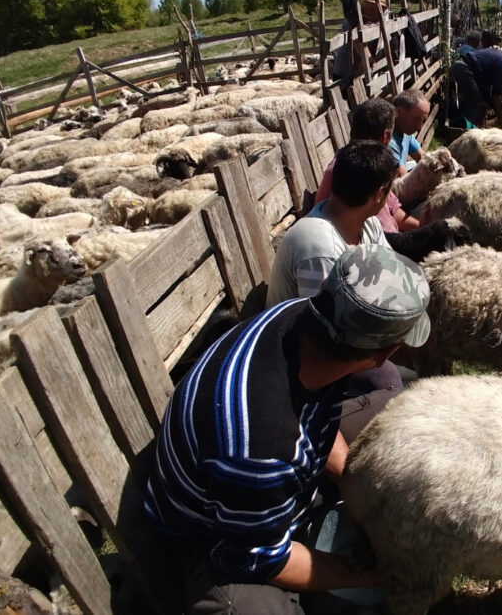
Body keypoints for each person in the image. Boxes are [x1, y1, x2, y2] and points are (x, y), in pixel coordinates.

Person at [145, 244, 431, 615]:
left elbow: (318, 417)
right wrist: (373, 574)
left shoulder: (306, 321)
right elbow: (262, 558)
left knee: (406, 416)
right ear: (383, 354)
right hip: (217, 537)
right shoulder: (263, 447)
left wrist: (353, 479)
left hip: (260, 481)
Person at [267, 139, 397, 307]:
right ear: (379, 194)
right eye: (390, 190)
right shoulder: (321, 251)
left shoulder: (369, 225)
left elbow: (392, 273)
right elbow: (323, 323)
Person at [313, 99, 419, 233]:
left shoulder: (375, 165)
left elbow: (393, 210)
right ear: (386, 136)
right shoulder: (353, 172)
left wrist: (423, 228)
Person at [449, 47, 502, 129]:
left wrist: (487, 102)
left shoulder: (499, 56)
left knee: (473, 99)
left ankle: (457, 122)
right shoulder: (501, 66)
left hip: (462, 65)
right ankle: (464, 129)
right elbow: (496, 96)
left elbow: (485, 84)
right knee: (475, 100)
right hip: (464, 68)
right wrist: (500, 118)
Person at [388, 89, 430, 172]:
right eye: (416, 119)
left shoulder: (405, 133)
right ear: (399, 112)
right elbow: (402, 180)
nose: (419, 127)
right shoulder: (388, 141)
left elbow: (424, 159)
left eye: (423, 120)